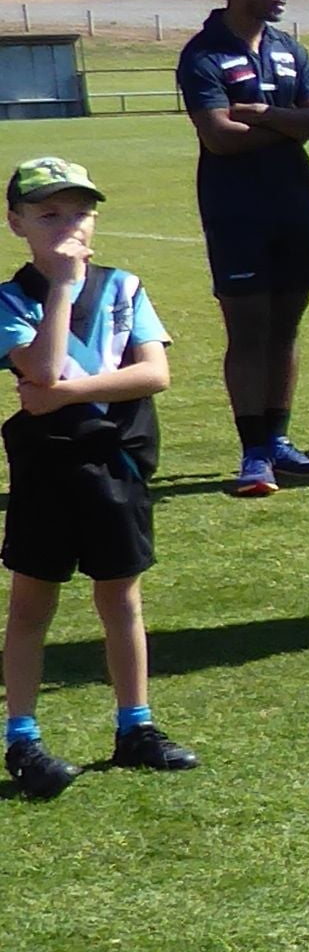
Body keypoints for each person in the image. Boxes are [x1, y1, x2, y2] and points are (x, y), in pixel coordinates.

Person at [0, 155, 198, 797]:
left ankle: (134, 726)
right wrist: (60, 286)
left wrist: (61, 394)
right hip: (48, 470)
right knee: (33, 604)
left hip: (116, 463)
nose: (68, 226)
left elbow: (153, 374)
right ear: (16, 223)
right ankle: (22, 737)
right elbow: (41, 363)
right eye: (48, 214)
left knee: (121, 597)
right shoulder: (10, 300)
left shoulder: (125, 287)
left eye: (80, 212)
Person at [176, 0, 309, 497]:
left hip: (297, 205)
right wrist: (290, 125)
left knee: (286, 328)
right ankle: (252, 455)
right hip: (236, 212)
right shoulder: (202, 54)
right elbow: (219, 138)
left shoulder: (290, 48)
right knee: (248, 331)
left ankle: (279, 442)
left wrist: (265, 115)